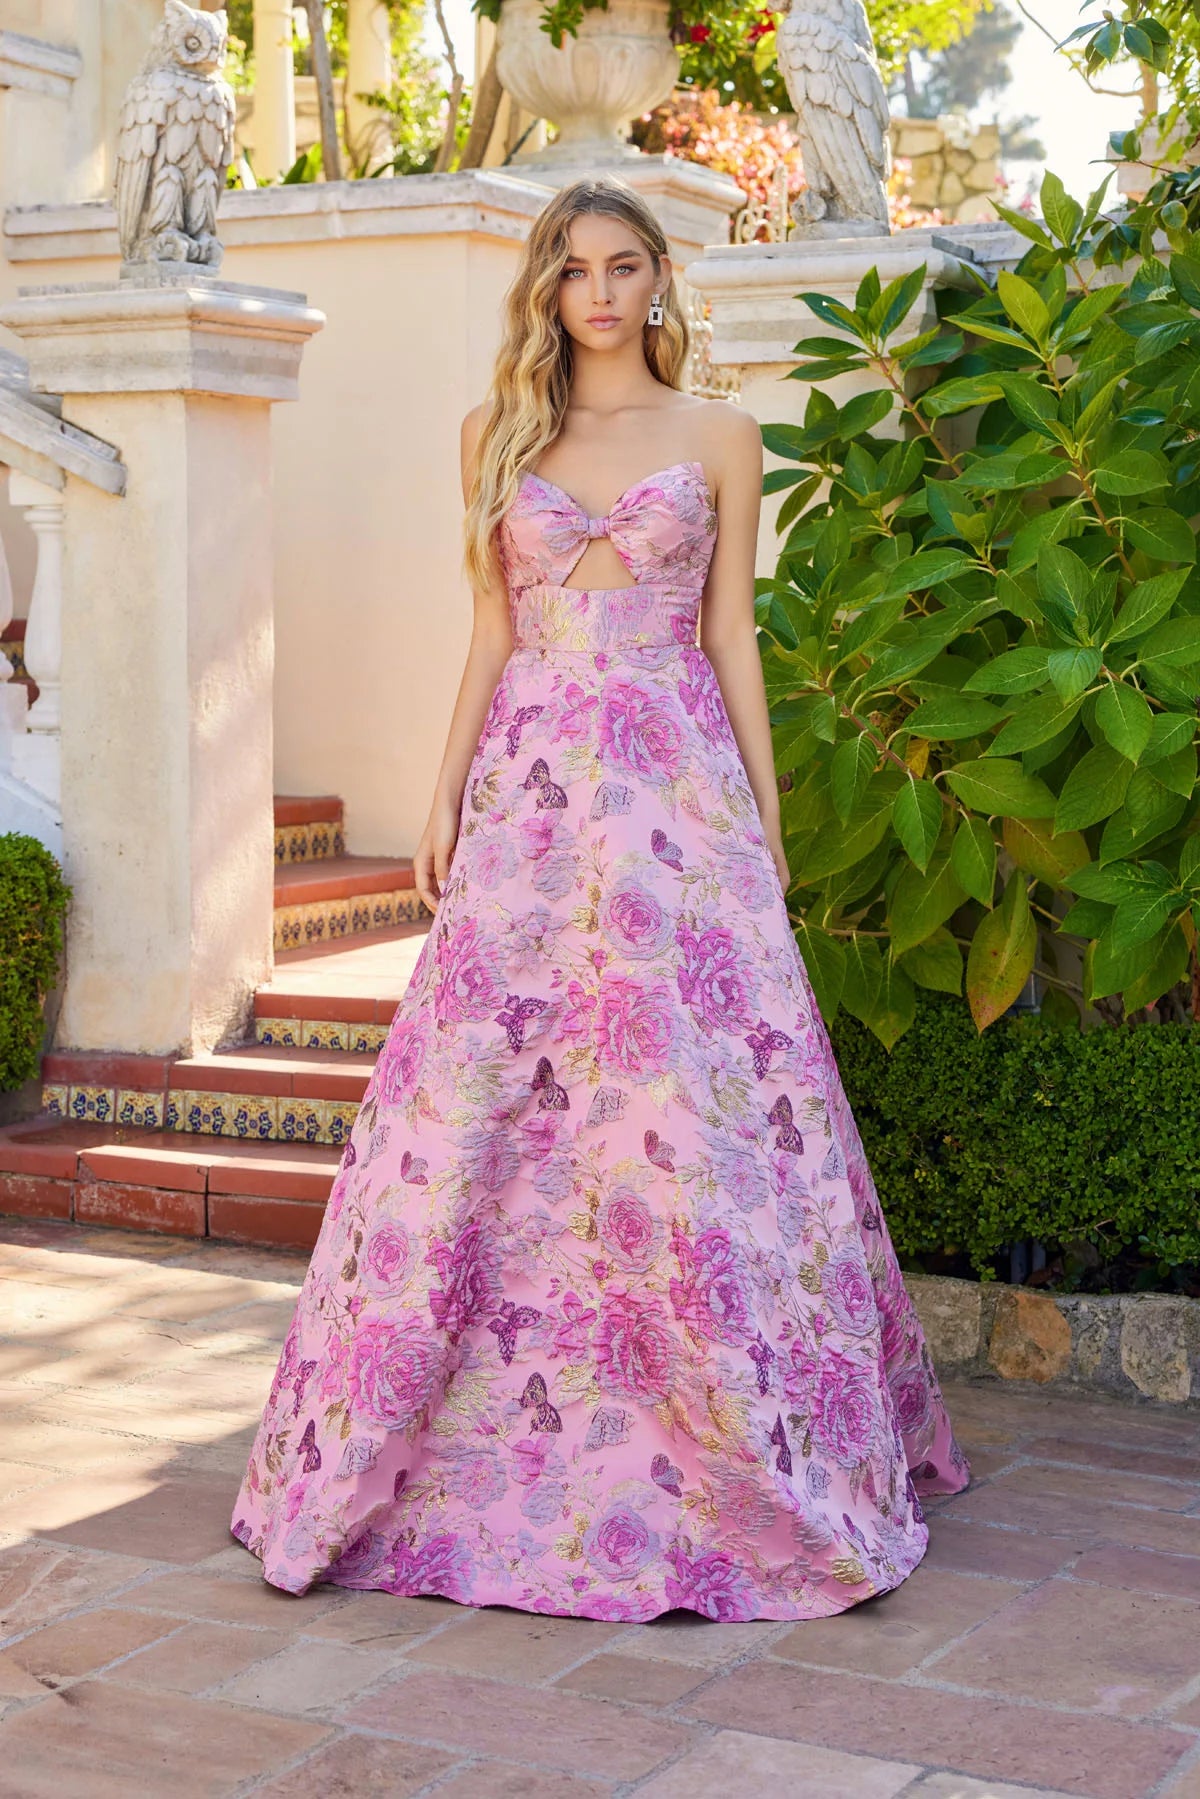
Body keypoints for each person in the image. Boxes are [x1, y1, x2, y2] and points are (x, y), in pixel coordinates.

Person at [231, 173, 970, 1623]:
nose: (601, 294)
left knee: (680, 1091)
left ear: (659, 277)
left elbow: (732, 636)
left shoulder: (722, 434)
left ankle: (732, 1429)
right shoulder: (495, 435)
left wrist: (762, 816)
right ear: (547, 291)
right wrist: (444, 794)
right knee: (492, 1089)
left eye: (624, 266)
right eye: (574, 271)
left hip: (673, 790)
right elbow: (490, 631)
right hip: (531, 793)